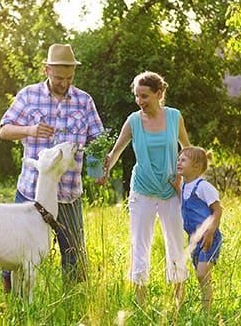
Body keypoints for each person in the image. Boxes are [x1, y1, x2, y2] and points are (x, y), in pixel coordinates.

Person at [0, 43, 104, 291]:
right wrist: (30, 130)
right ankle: (10, 302)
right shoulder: (28, 96)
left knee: (73, 254)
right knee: (14, 249)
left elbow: (98, 139)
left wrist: (99, 166)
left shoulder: (83, 101)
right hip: (31, 193)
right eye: (59, 77)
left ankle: (72, 305)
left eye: (69, 78)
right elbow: (4, 130)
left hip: (67, 194)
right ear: (46, 70)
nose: (64, 83)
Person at [100, 71, 190, 306]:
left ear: (159, 94)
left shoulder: (174, 117)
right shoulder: (133, 121)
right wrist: (106, 167)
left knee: (176, 245)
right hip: (142, 190)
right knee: (139, 244)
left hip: (171, 190)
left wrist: (186, 178)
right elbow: (117, 150)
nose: (140, 101)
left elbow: (187, 149)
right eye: (137, 96)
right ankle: (141, 301)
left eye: (145, 96)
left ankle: (178, 300)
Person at [176, 146, 223, 312]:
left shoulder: (204, 187)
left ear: (196, 166)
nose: (178, 162)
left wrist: (210, 232)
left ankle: (208, 311)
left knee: (202, 274)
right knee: (201, 276)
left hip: (209, 237)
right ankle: (206, 306)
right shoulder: (184, 185)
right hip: (194, 239)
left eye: (183, 160)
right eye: (178, 159)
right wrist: (175, 187)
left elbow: (218, 210)